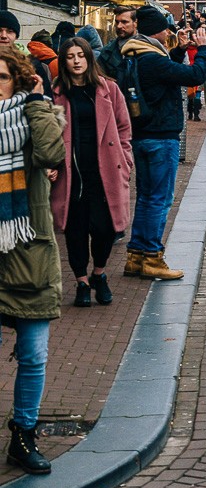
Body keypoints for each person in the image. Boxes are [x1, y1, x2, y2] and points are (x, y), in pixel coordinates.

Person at [0, 45, 67, 474]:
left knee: (34, 353)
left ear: (18, 80)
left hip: (27, 248)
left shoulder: (33, 117)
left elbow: (50, 155)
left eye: (2, 76)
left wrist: (40, 103)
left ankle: (23, 434)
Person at [116, 8, 206, 281]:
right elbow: (194, 76)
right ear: (155, 31)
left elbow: (166, 75)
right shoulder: (152, 60)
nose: (169, 32)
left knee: (146, 197)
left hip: (142, 135)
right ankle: (153, 257)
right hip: (161, 136)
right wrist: (202, 49)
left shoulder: (135, 56)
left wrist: (179, 51)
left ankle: (136, 256)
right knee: (160, 199)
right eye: (165, 29)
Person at [50, 38, 132, 309]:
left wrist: (125, 160)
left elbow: (123, 128)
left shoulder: (109, 89)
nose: (76, 61)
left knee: (105, 228)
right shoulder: (56, 93)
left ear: (89, 58)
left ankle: (99, 272)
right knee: (75, 231)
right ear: (64, 61)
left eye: (80, 55)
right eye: (70, 56)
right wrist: (49, 163)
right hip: (70, 173)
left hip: (105, 168)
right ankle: (82, 282)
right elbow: (46, 133)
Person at [97, 7, 138, 80]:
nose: (119, 26)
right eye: (117, 22)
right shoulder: (107, 52)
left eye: (124, 22)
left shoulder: (146, 47)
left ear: (135, 23)